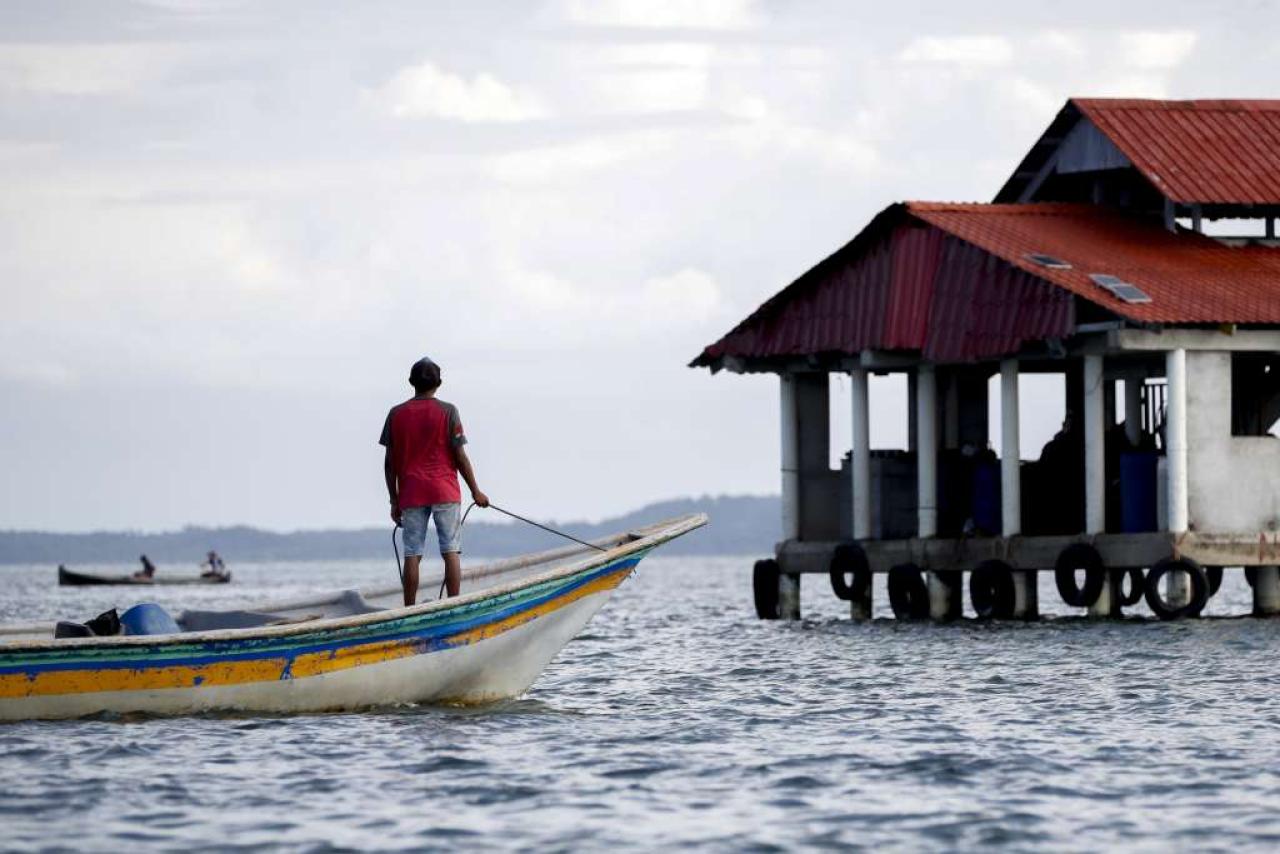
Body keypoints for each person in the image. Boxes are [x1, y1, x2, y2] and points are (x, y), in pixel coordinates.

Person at [380, 357, 489, 605]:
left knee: (412, 553)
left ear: (411, 382)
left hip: (411, 493)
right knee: (450, 549)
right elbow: (460, 456)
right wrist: (476, 491)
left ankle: (409, 608)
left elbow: (389, 463)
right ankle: (454, 604)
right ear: (439, 383)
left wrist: (394, 500)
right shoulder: (448, 411)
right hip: (445, 491)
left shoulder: (396, 414)